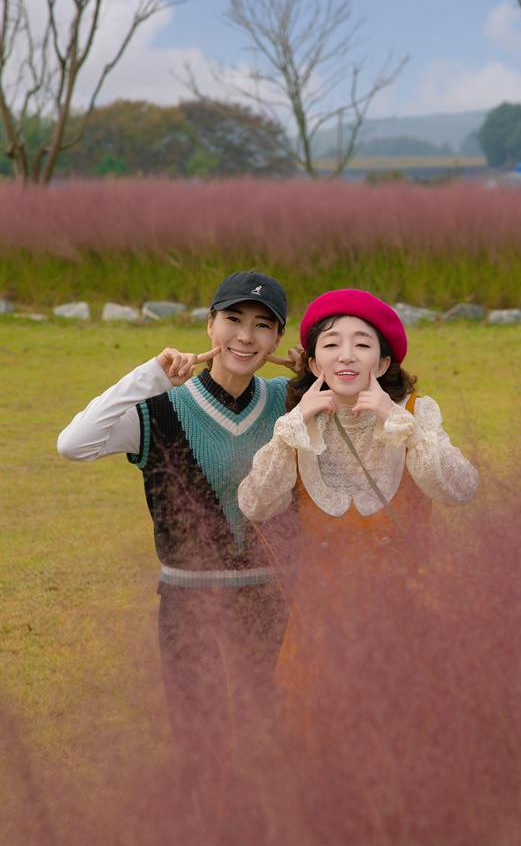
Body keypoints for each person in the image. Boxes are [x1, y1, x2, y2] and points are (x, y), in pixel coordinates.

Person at [57, 271, 300, 829]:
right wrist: (148, 376)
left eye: (263, 326)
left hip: (273, 604)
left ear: (278, 338)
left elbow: (372, 401)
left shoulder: (289, 400)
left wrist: (311, 369)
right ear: (210, 324)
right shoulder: (161, 409)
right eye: (233, 320)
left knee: (269, 744)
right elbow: (73, 444)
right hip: (189, 609)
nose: (246, 337)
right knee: (203, 746)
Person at [238, 288, 479, 699]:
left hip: (405, 625)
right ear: (314, 363)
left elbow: (461, 489)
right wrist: (292, 429)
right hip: (318, 633)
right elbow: (255, 505)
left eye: (362, 344)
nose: (346, 356)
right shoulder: (297, 424)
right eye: (331, 344)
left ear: (382, 361)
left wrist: (397, 420)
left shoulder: (416, 412)